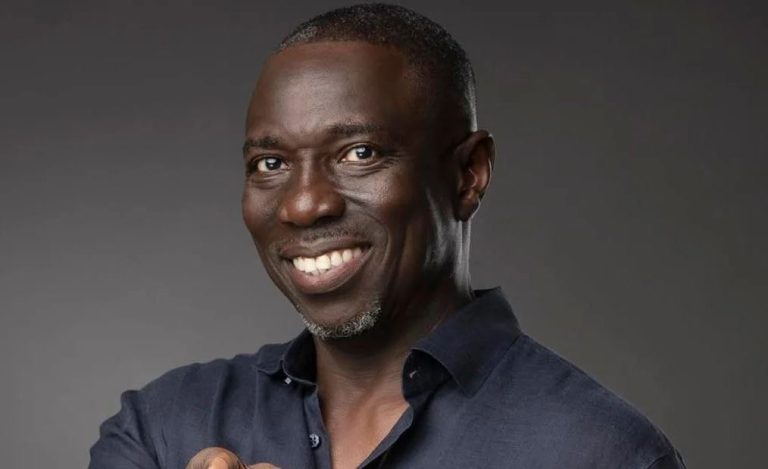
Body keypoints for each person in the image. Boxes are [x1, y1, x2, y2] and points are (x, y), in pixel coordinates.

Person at [89, 4, 686, 468]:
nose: (303, 204)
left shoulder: (603, 453)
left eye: (359, 153)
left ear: (468, 175)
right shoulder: (162, 427)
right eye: (270, 163)